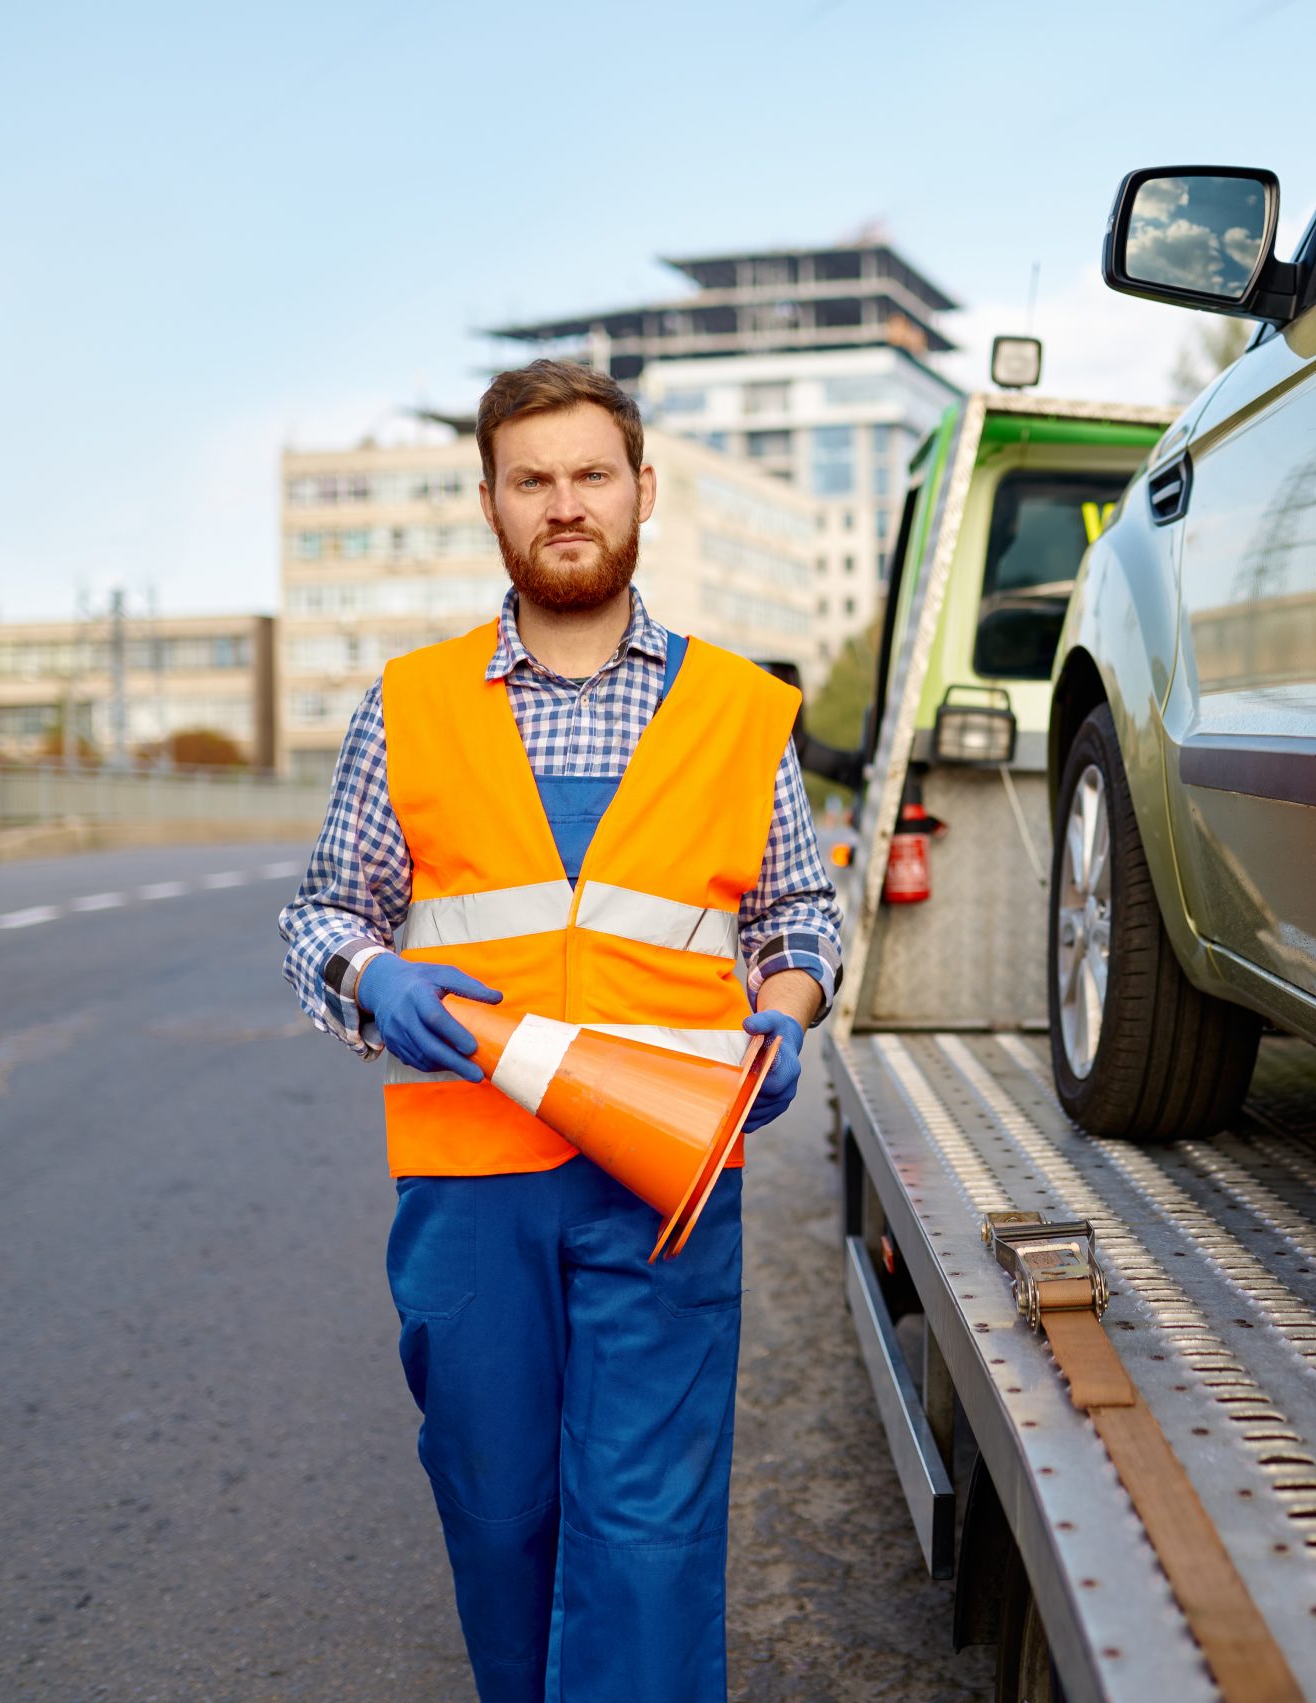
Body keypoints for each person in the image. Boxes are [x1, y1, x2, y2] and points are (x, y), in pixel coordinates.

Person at [278, 359, 843, 1703]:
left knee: (645, 1531)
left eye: (591, 475)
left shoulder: (737, 711)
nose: (565, 504)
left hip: (667, 1179)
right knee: (499, 1514)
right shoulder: (408, 705)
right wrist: (372, 979)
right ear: (490, 504)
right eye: (532, 480)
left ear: (642, 492)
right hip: (472, 1188)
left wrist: (785, 1012)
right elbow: (321, 915)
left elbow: (798, 914)